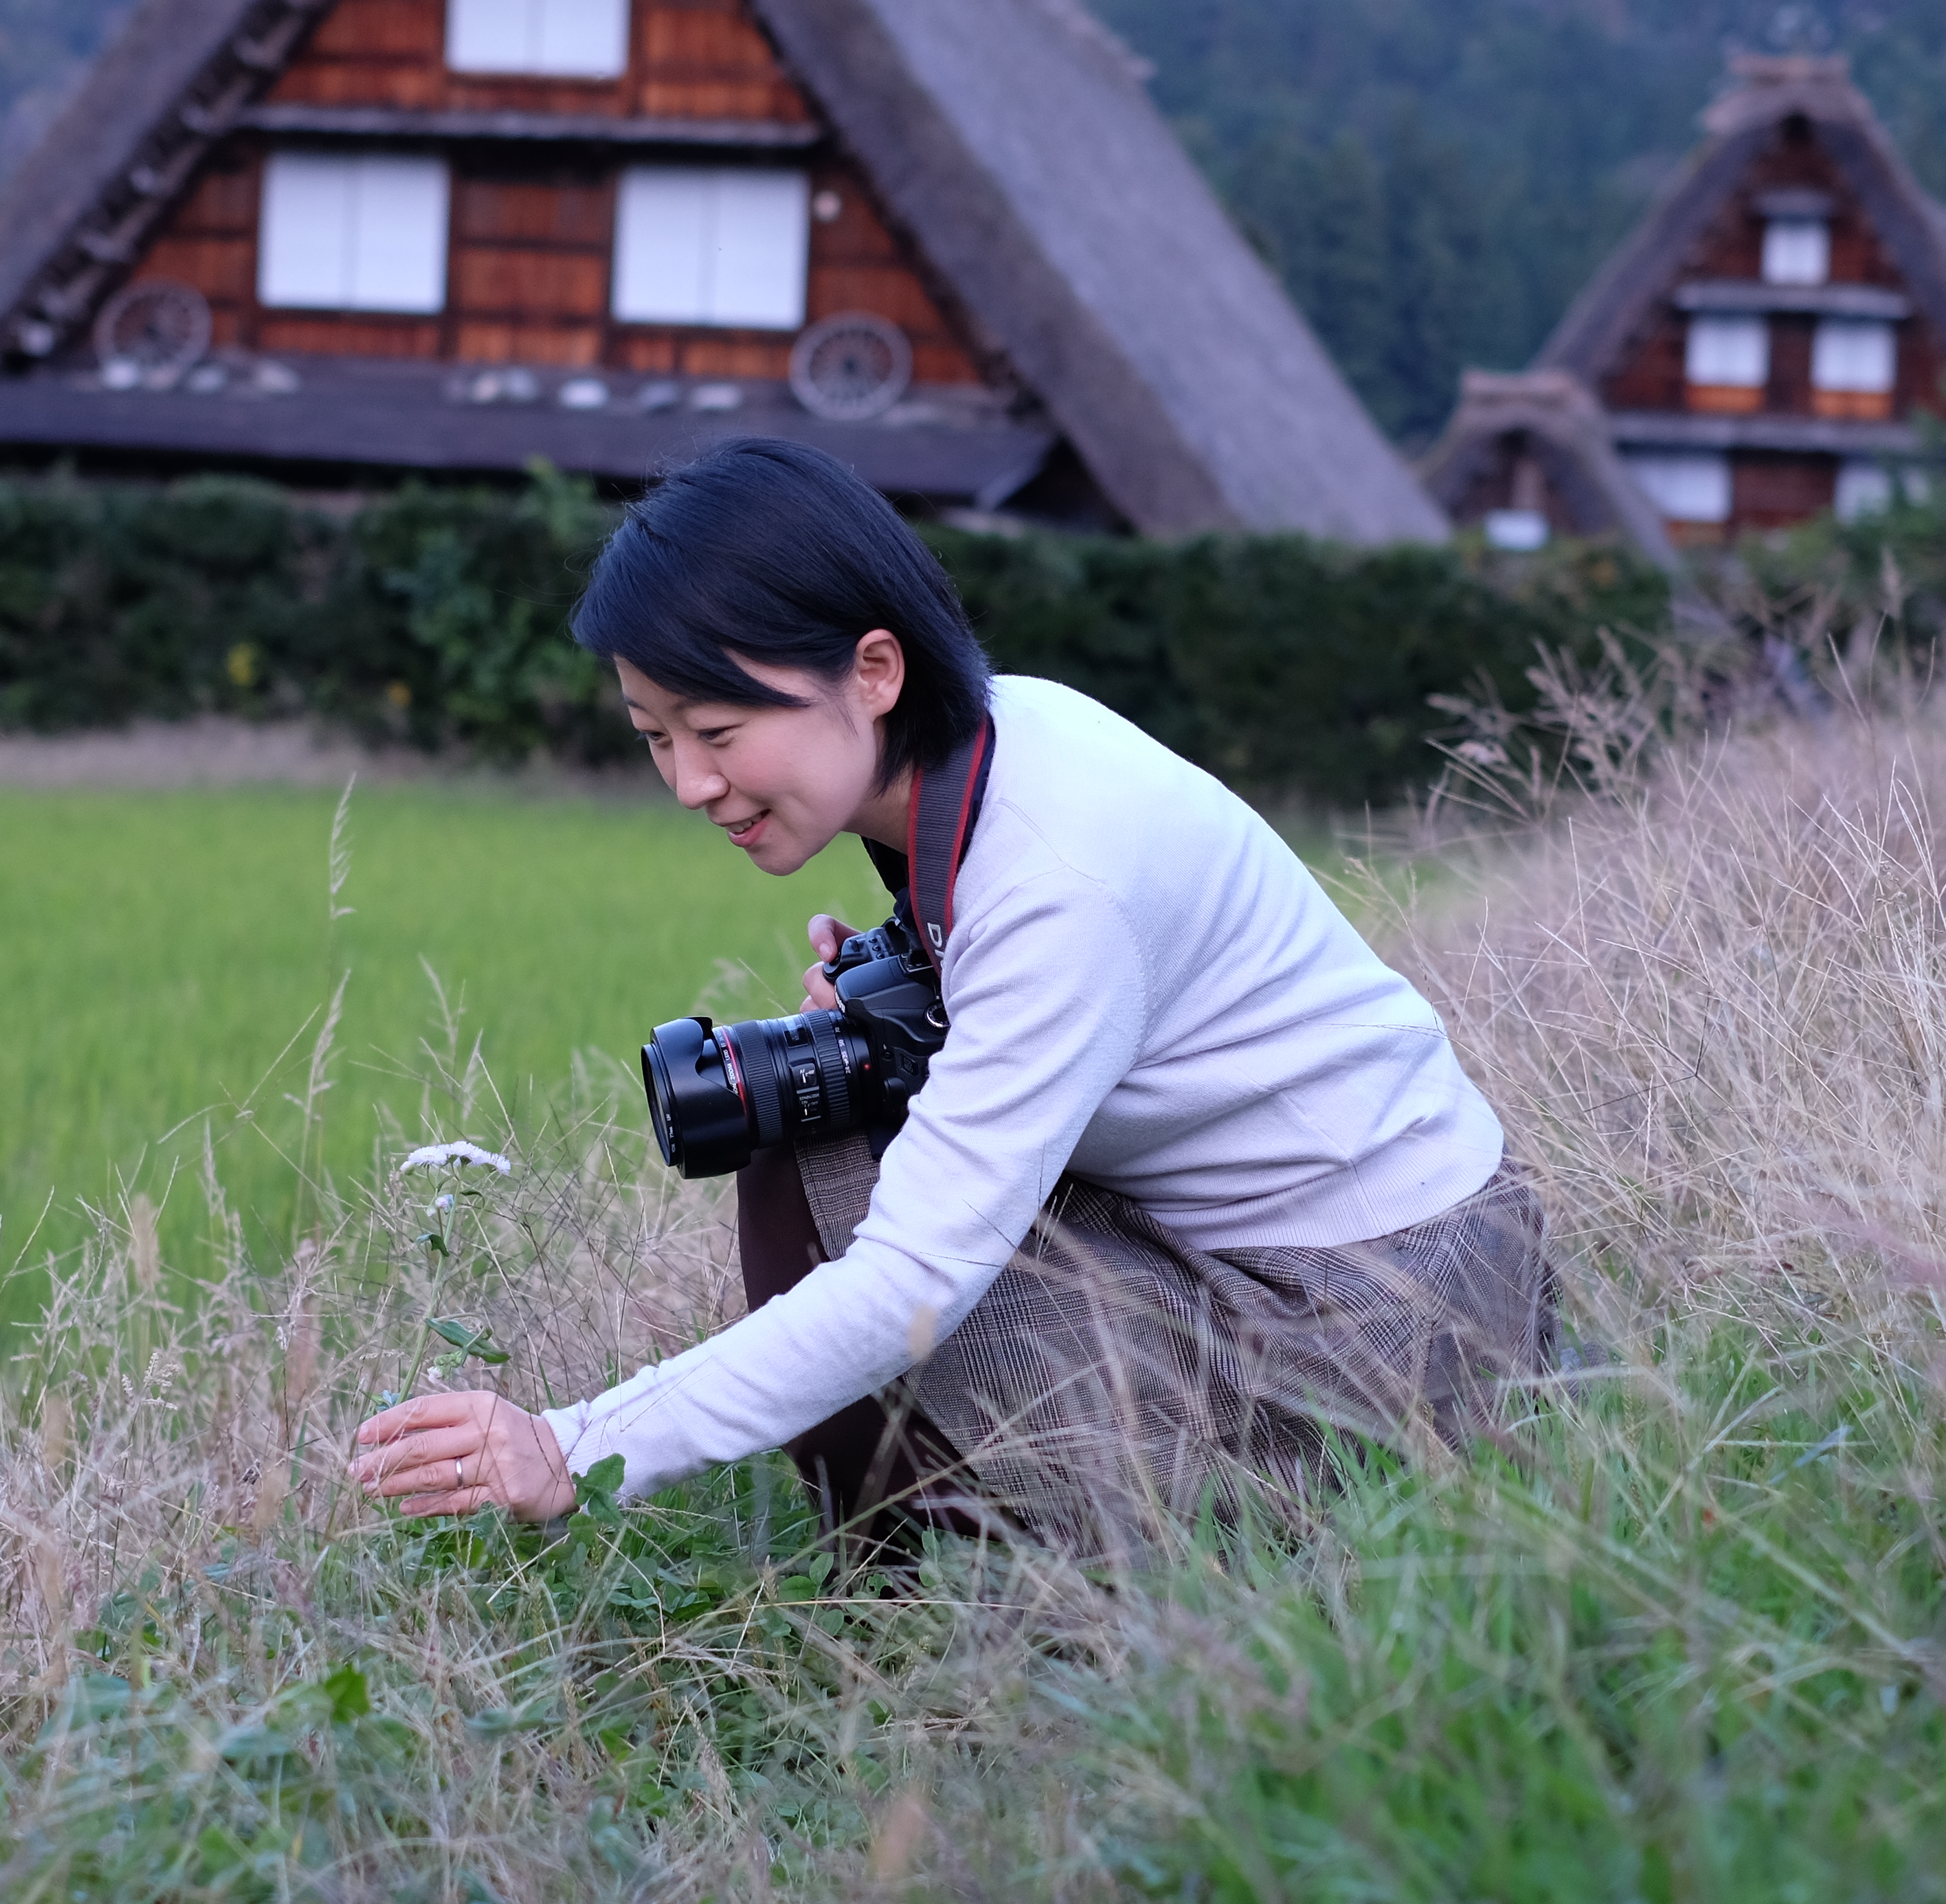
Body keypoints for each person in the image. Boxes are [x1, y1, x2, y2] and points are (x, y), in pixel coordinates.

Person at [350, 438, 1549, 1554]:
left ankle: (944, 1593)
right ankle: (934, 1563)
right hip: (1392, 1256)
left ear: (873, 670)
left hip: (1383, 1332)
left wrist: (574, 1444)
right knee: (818, 1125)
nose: (690, 782)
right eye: (654, 736)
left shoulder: (1055, 875)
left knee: (826, 1169)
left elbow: (914, 1280)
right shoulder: (1005, 731)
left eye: (716, 728)